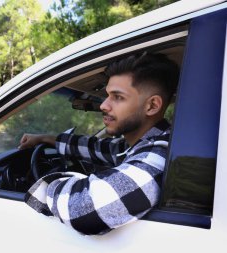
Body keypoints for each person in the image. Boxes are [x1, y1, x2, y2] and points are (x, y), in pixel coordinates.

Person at [19, 52, 180, 235]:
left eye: (117, 97)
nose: (104, 105)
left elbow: (81, 209)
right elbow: (98, 148)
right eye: (107, 95)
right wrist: (43, 138)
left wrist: (43, 186)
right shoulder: (139, 144)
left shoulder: (159, 156)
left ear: (152, 106)